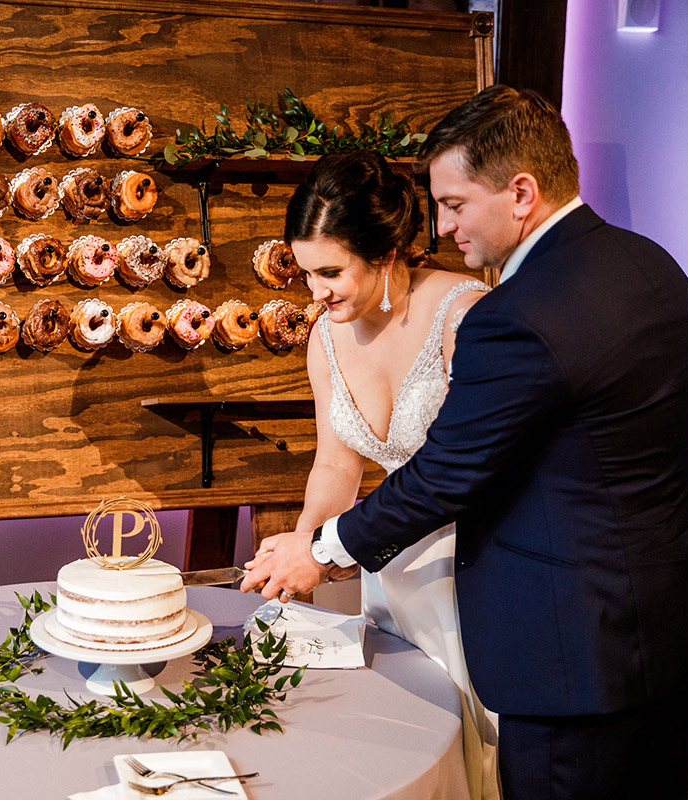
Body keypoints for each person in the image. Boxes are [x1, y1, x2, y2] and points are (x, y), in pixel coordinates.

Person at [242, 86, 688, 800]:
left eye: (454, 204)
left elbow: (447, 473)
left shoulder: (509, 315)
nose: (441, 228)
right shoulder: (651, 267)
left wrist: (319, 552)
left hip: (563, 638)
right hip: (668, 621)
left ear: (522, 192)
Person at [282, 149, 497, 799]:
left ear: (385, 253)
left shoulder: (464, 314)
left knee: (484, 751)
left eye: (329, 272)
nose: (314, 293)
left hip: (475, 572)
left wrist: (322, 550)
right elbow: (334, 463)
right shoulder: (325, 337)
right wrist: (304, 549)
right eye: (304, 273)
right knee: (408, 743)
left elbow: (479, 466)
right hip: (389, 571)